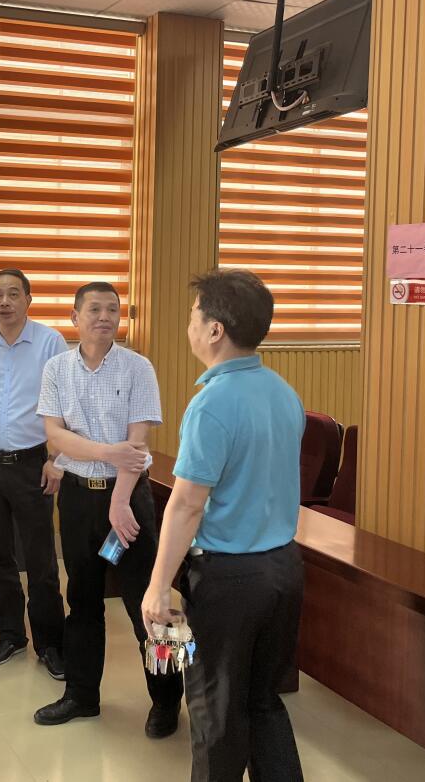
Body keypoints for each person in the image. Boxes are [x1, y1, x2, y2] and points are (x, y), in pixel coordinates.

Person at [142, 269, 305, 782]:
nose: (189, 326)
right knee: (263, 703)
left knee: (215, 713)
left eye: (194, 316)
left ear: (215, 330)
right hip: (284, 571)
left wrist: (157, 586)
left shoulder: (211, 403)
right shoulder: (283, 391)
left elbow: (187, 505)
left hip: (229, 581)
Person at [32, 282, 184, 738]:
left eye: (112, 310)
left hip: (129, 499)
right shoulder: (57, 368)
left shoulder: (138, 367)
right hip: (78, 497)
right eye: (94, 309)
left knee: (152, 603)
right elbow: (56, 436)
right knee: (82, 599)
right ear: (75, 317)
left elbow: (137, 446)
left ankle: (168, 700)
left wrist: (119, 500)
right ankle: (81, 695)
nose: (105, 317)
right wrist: (104, 451)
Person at [0, 269, 67, 679]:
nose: (3, 301)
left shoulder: (50, 342)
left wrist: (56, 458)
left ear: (28, 299)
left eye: (12, 294)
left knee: (41, 559)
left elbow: (64, 403)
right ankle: (9, 635)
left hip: (32, 464)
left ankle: (50, 643)